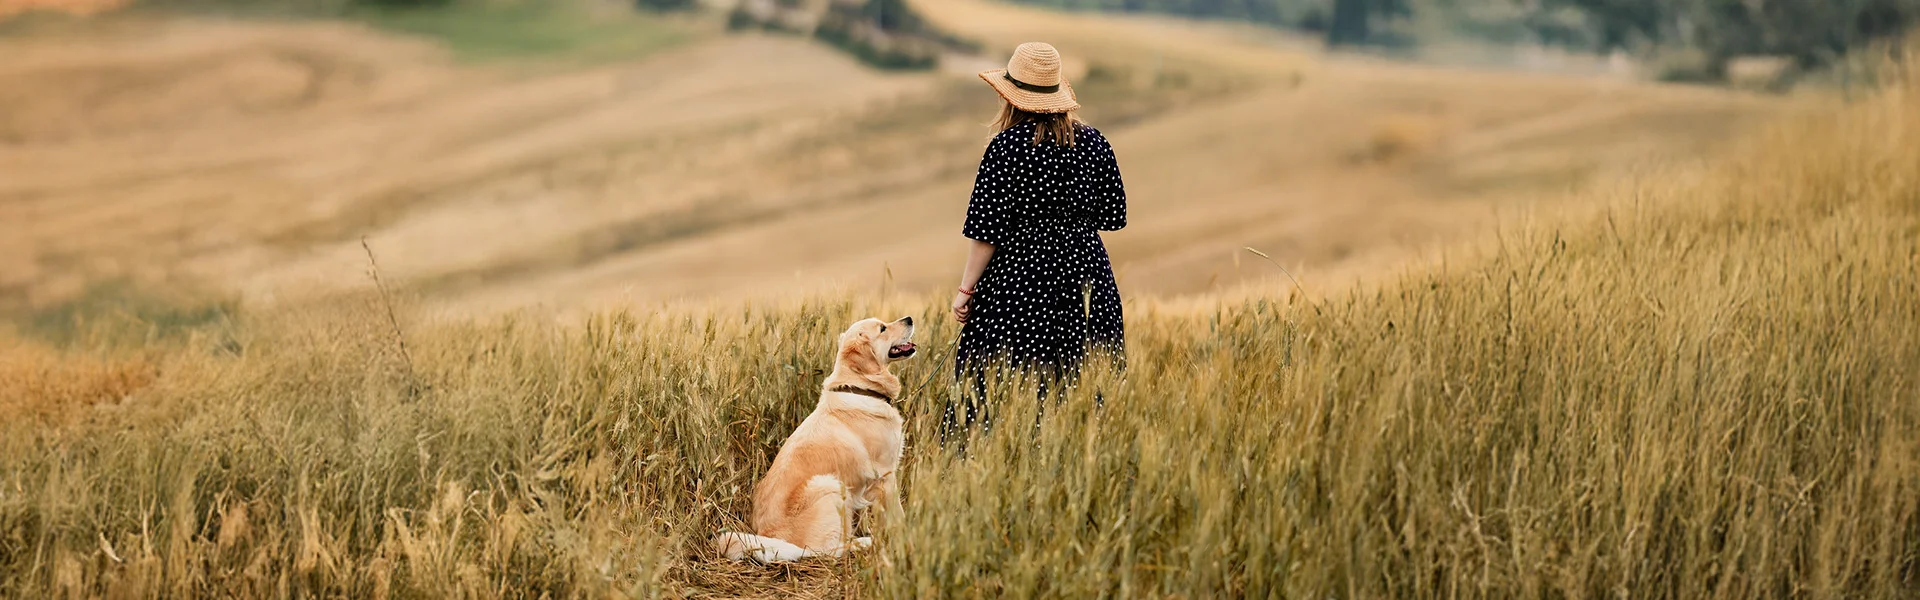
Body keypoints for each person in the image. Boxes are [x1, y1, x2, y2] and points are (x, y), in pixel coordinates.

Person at [945, 42, 1127, 442]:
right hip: (1087, 280)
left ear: (1010, 97)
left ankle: (989, 468)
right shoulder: (1096, 144)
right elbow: (1112, 216)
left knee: (993, 391)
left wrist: (966, 289)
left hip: (1018, 280)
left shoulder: (1006, 148)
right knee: (1082, 390)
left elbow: (985, 230)